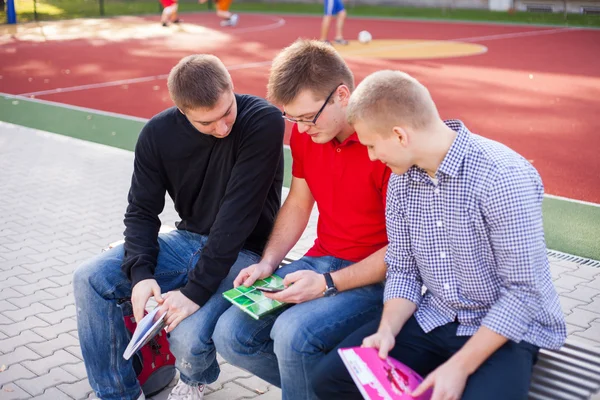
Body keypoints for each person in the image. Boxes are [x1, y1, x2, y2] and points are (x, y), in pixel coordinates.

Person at [312, 70, 567, 400]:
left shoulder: (502, 177)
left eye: (373, 145)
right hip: (436, 316)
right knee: (330, 380)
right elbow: (403, 269)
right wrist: (387, 331)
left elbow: (523, 294)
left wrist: (459, 366)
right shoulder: (402, 181)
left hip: (504, 330)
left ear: (400, 135)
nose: (372, 156)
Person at [72, 54, 285, 400]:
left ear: (231, 87)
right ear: (182, 112)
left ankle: (193, 377)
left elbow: (237, 215)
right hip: (186, 240)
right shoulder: (156, 135)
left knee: (186, 336)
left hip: (243, 252)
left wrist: (192, 294)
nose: (223, 128)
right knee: (89, 278)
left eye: (227, 112)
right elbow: (141, 211)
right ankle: (117, 394)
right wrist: (141, 273)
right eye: (208, 122)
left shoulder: (264, 120)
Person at [213, 39, 391, 400]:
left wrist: (327, 283)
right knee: (231, 335)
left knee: (293, 335)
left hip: (377, 274)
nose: (302, 128)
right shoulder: (305, 131)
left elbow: (405, 251)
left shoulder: (385, 143)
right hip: (321, 258)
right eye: (292, 118)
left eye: (308, 116)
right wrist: (268, 261)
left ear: (343, 95)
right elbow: (298, 201)